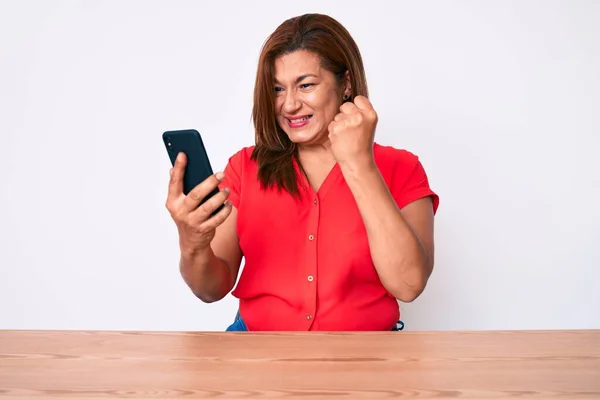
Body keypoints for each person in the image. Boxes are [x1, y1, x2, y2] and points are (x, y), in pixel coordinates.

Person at [165, 13, 439, 331]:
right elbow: (210, 289)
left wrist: (359, 164)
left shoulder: (402, 168)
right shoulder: (244, 167)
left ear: (346, 83)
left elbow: (408, 285)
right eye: (277, 89)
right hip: (258, 353)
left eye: (305, 85)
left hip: (365, 360)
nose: (289, 105)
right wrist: (192, 242)